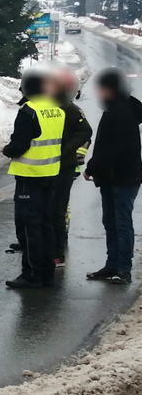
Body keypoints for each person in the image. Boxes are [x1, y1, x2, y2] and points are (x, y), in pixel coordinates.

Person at [2, 66, 65, 289]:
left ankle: (31, 274)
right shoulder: (57, 109)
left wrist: (7, 150)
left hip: (30, 177)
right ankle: (47, 272)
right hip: (50, 175)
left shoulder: (29, 111)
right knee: (46, 226)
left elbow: (20, 144)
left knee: (29, 228)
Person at [83, 67, 142, 284]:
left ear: (112, 89)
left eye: (102, 89)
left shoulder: (122, 112)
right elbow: (105, 147)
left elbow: (114, 149)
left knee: (122, 222)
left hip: (124, 178)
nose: (99, 93)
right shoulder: (115, 109)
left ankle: (123, 268)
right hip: (111, 177)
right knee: (110, 222)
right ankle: (112, 264)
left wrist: (91, 167)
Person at [51, 64, 92, 267]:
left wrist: (72, 155)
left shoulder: (71, 109)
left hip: (66, 166)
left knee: (59, 209)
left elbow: (85, 135)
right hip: (51, 167)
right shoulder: (50, 107)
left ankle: (59, 248)